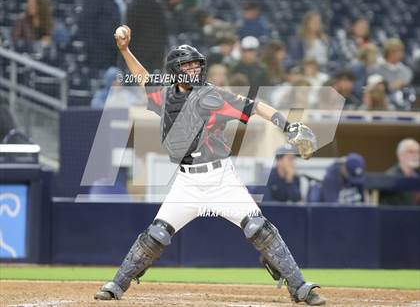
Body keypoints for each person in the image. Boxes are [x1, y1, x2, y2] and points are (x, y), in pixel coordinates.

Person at [94, 25, 325, 305]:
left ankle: (299, 286)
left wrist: (289, 126)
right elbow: (143, 78)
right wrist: (125, 50)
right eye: (187, 66)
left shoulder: (211, 95)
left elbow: (254, 106)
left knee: (259, 229)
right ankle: (117, 284)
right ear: (175, 70)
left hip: (221, 178)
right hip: (187, 182)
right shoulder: (164, 96)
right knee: (155, 235)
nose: (194, 70)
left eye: (195, 65)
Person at [381, 139, 420, 205]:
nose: (415, 155)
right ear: (400, 155)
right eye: (410, 152)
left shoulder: (418, 175)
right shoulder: (390, 176)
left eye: (418, 152)